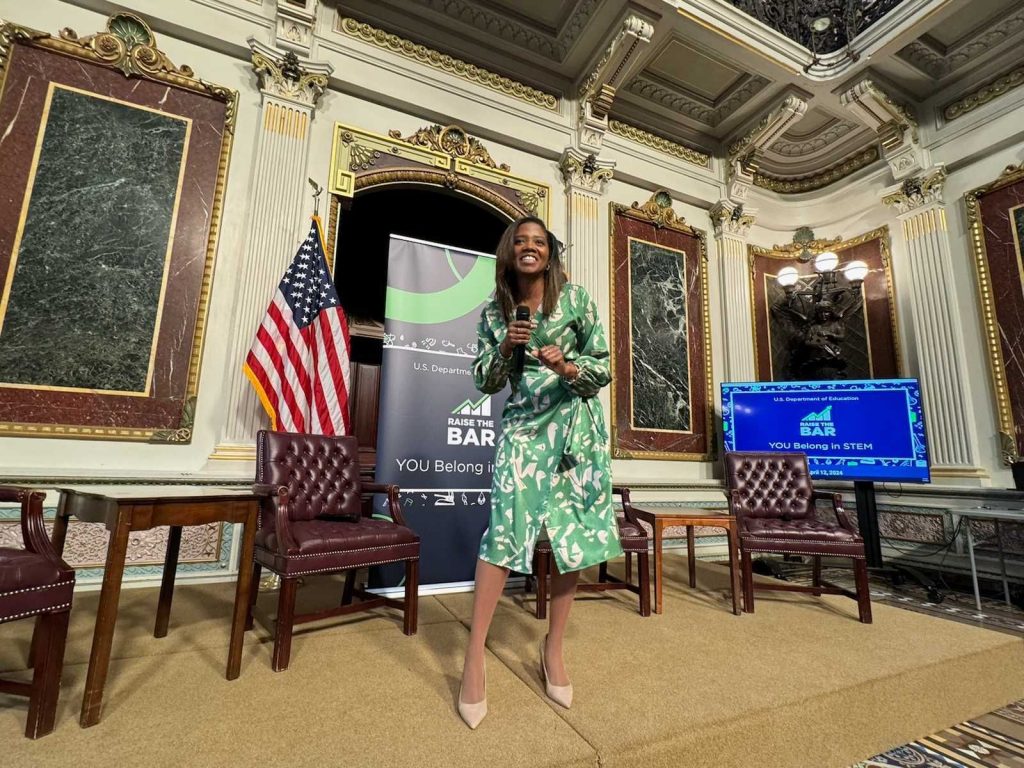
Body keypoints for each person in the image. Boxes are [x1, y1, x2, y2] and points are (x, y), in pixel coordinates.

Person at [457, 216, 622, 729]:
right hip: (526, 427)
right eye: (522, 242)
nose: (531, 248)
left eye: (540, 242)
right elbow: (485, 381)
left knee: (571, 535)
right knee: (504, 529)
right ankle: (474, 656)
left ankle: (554, 648)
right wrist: (508, 345)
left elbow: (603, 366)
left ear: (551, 253)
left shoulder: (577, 300)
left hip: (576, 427)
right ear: (511, 252)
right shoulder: (495, 311)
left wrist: (568, 368)